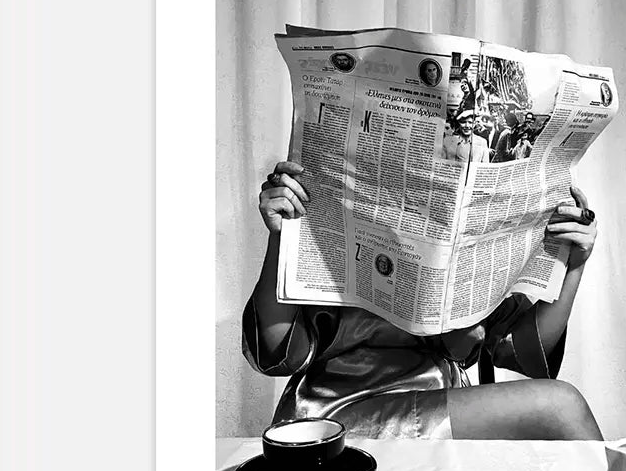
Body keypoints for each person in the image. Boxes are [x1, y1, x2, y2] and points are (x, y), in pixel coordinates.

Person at [243, 161, 603, 440]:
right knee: (562, 406)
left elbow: (526, 351)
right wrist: (282, 234)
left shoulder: (458, 228)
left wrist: (573, 264)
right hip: (335, 414)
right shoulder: (335, 225)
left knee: (561, 407)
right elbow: (275, 353)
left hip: (439, 399)